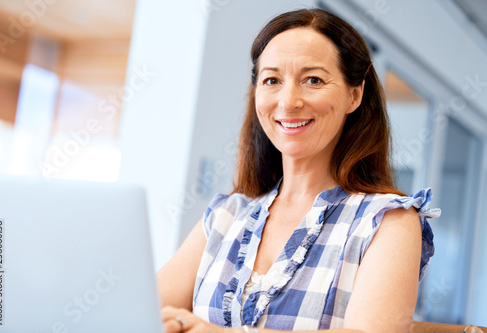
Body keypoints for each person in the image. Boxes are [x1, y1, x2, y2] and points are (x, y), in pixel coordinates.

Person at [158, 8, 440, 333]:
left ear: (354, 94)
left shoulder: (388, 221)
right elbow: (137, 310)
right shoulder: (226, 215)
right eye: (272, 80)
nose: (288, 101)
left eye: (313, 80)